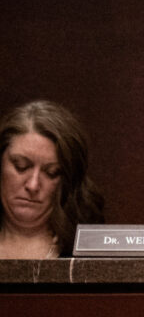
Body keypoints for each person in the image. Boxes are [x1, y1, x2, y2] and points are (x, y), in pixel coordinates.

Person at [0, 101, 105, 258]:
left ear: (67, 181)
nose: (33, 185)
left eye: (51, 173)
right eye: (21, 166)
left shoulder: (88, 253)